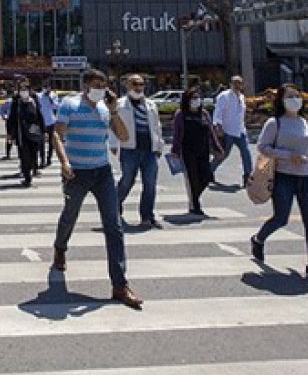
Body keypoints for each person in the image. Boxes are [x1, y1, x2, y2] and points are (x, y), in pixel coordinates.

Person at [50, 70, 142, 308]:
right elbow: (57, 135)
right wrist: (64, 162)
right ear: (85, 86)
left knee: (114, 225)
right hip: (76, 172)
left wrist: (113, 111)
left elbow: (123, 136)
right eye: (95, 84)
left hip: (102, 172)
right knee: (70, 215)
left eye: (103, 85)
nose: (100, 88)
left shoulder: (105, 108)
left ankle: (120, 286)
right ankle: (60, 248)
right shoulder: (70, 104)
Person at [248, 85, 308, 282]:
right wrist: (288, 156)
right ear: (281, 100)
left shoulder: (303, 122)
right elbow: (262, 147)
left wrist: (300, 159)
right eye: (290, 96)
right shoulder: (274, 123)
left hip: (306, 175)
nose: (295, 99)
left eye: (297, 96)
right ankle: (258, 239)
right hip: (283, 176)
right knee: (281, 218)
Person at [111, 74, 165, 229]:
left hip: (149, 150)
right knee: (127, 181)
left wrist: (159, 145)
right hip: (129, 149)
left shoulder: (151, 105)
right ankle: (114, 208)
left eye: (141, 84)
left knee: (150, 184)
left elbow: (156, 126)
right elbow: (113, 125)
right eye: (135, 83)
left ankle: (147, 216)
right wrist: (114, 144)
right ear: (127, 85)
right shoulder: (120, 105)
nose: (138, 87)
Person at [172, 87, 224, 216]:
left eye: (197, 98)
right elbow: (177, 134)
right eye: (193, 98)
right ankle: (195, 205)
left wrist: (217, 147)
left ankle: (194, 198)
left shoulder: (204, 114)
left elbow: (211, 132)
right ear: (187, 100)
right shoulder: (181, 114)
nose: (196, 100)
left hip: (203, 150)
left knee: (207, 177)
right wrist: (175, 150)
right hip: (187, 151)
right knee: (192, 178)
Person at [212, 75, 253, 186]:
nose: (237, 85)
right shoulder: (224, 96)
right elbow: (218, 112)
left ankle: (247, 177)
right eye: (235, 83)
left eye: (239, 83)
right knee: (223, 154)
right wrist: (218, 126)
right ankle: (208, 173)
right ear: (230, 84)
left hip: (240, 131)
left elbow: (241, 113)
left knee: (246, 153)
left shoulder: (242, 97)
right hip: (227, 131)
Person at [6, 81, 47, 187]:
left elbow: (39, 116)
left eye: (25, 90)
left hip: (34, 133)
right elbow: (11, 119)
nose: (24, 92)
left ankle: (33, 169)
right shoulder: (17, 103)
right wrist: (10, 134)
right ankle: (27, 177)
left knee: (34, 154)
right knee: (24, 156)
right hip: (21, 134)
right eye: (22, 90)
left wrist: (44, 131)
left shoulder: (33, 101)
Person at [37, 85, 59, 167]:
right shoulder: (38, 96)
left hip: (51, 121)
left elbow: (56, 106)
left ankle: (49, 158)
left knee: (51, 142)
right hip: (41, 122)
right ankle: (42, 160)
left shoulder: (53, 95)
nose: (46, 90)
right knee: (41, 142)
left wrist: (50, 98)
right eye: (45, 88)